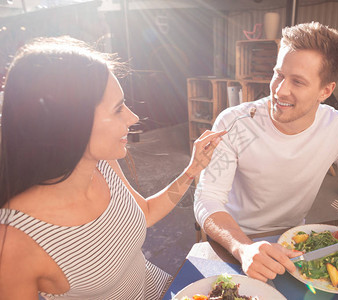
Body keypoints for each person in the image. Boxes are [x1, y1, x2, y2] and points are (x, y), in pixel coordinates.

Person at [0, 36, 225, 299]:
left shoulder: (101, 162)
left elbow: (147, 213)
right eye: (118, 109)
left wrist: (192, 170)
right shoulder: (13, 239)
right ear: (69, 124)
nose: (134, 117)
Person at [194, 22, 338, 282]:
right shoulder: (236, 122)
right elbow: (207, 197)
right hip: (236, 238)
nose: (279, 90)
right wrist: (243, 247)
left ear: (325, 90)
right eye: (278, 74)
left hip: (294, 241)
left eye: (297, 82)